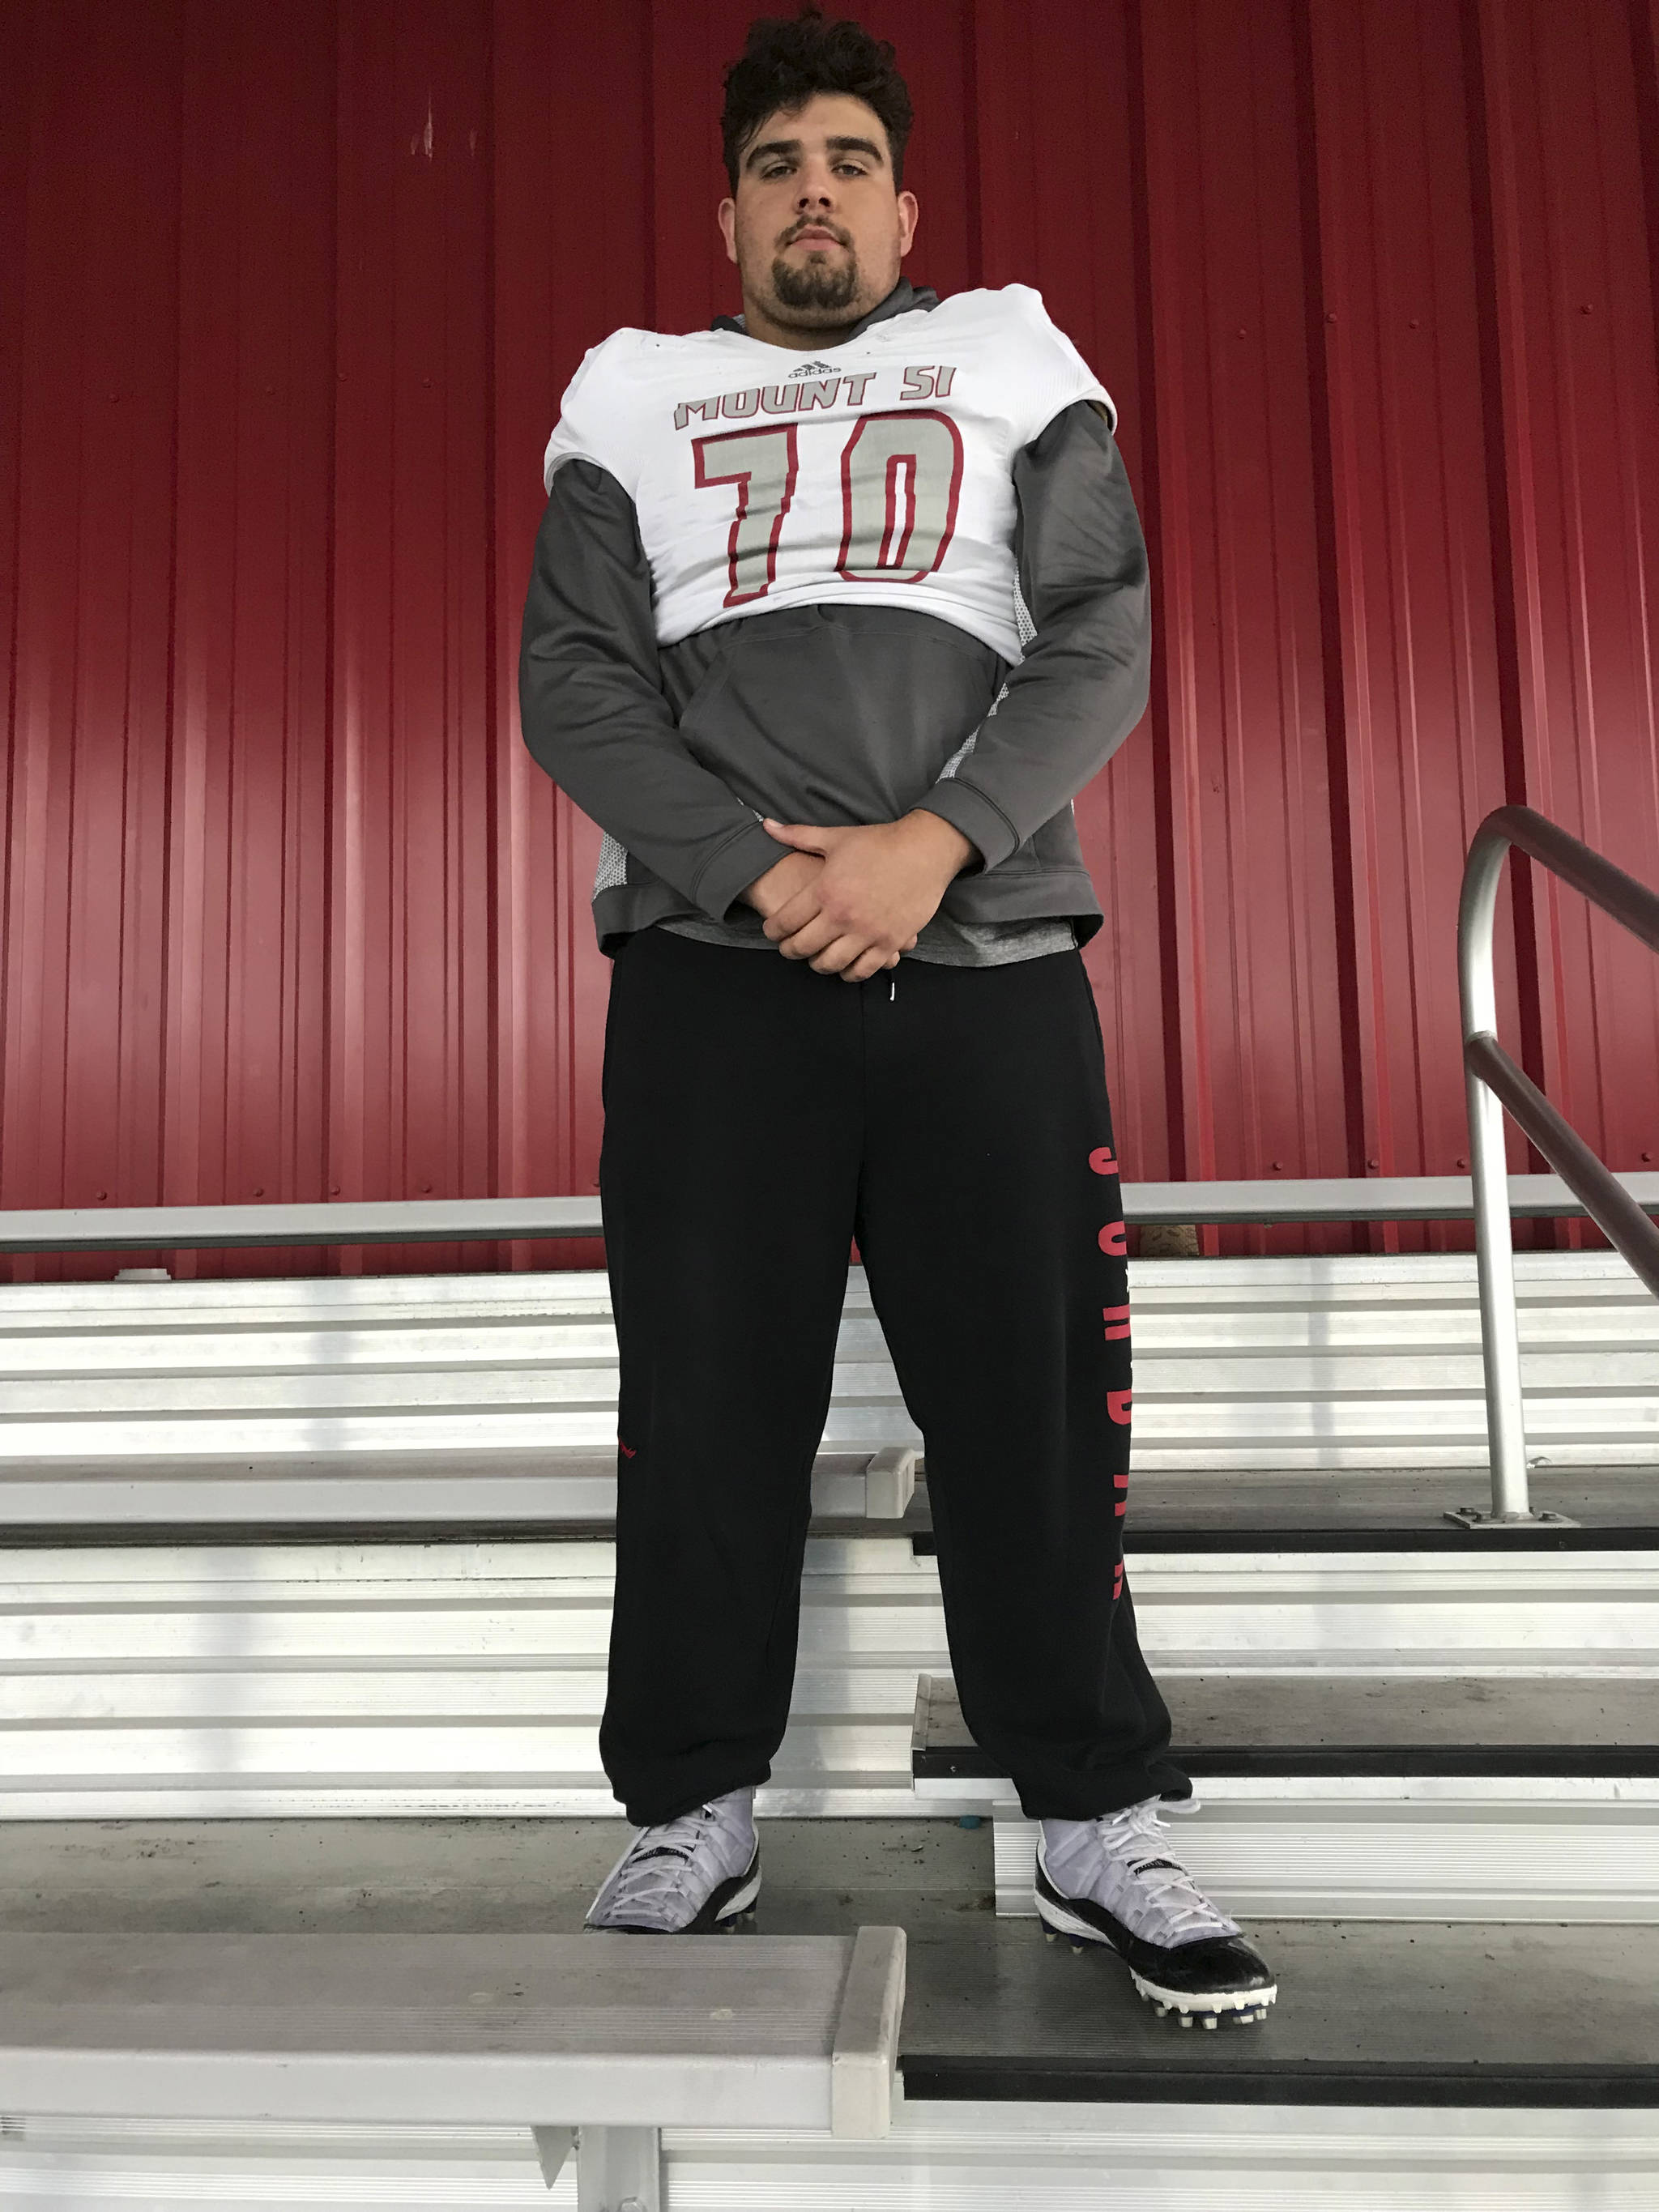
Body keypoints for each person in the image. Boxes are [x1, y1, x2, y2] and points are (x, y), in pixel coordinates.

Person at [517, 3, 1276, 2030]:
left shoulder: (1015, 352)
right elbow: (574, 685)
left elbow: (1101, 627)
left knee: (1030, 1410)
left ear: (902, 200)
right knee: (703, 1412)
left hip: (987, 957)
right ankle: (692, 1804)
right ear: (730, 213)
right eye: (777, 167)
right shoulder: (629, 394)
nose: (814, 195)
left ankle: (1095, 1815)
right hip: (714, 978)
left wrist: (929, 846)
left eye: (847, 161)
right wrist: (774, 878)